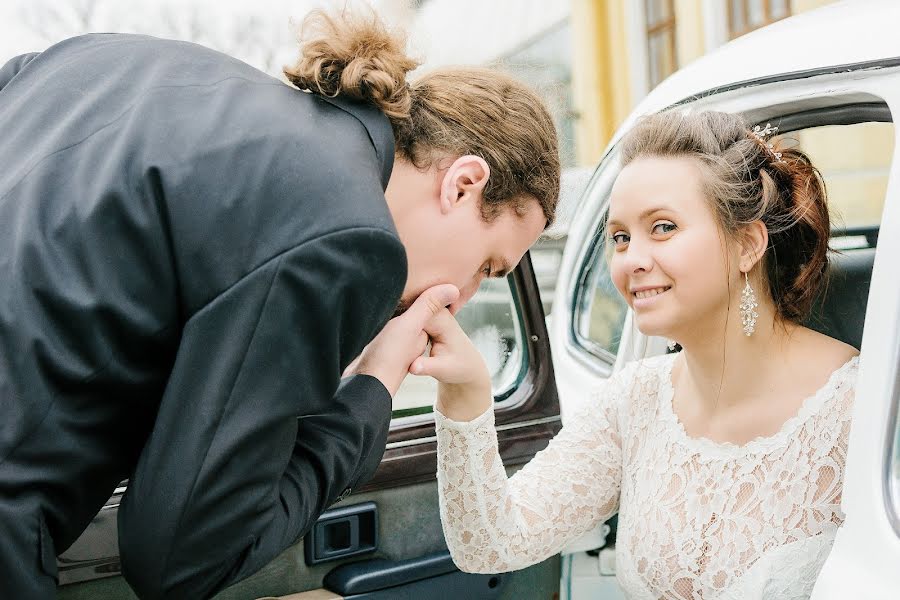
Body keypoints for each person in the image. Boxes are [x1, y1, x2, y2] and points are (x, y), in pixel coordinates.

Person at [0, 8, 559, 599]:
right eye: (487, 267)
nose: (465, 296)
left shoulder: (90, 57)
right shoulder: (349, 239)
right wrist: (373, 381)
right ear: (463, 184)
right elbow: (179, 559)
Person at [389, 110, 859, 598]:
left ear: (747, 245)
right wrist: (467, 394)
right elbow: (491, 544)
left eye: (662, 227)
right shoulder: (636, 400)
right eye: (620, 237)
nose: (631, 260)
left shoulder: (859, 406)